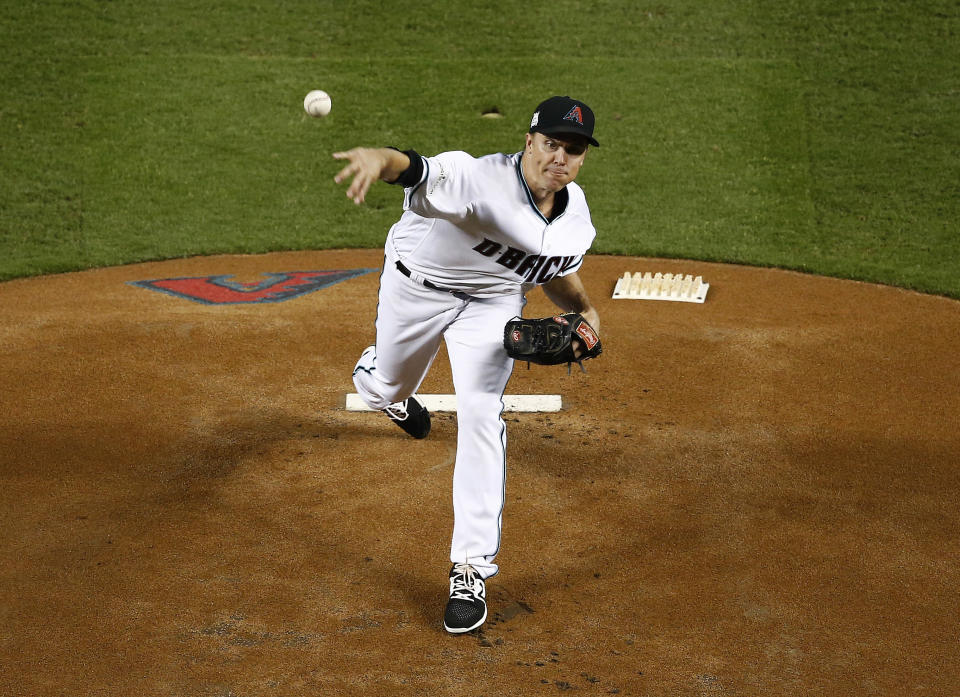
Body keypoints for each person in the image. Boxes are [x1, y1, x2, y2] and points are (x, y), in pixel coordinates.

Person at [333, 96, 602, 634]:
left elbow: (547, 267)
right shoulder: (475, 178)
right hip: (417, 286)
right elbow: (411, 165)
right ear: (529, 141)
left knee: (482, 414)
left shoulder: (575, 218)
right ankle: (384, 383)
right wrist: (374, 157)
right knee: (385, 386)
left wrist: (587, 312)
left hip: (493, 304)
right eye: (551, 144)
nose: (561, 158)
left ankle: (471, 568)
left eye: (573, 151)